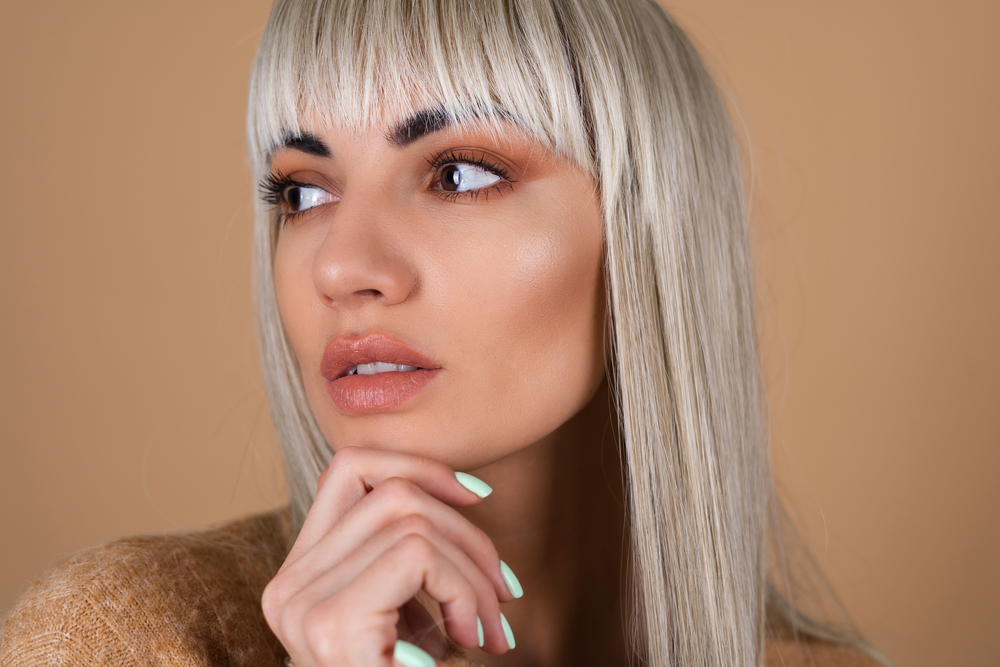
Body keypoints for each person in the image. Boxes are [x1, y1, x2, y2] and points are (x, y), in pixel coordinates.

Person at [0, 0, 889, 665]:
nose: (340, 266)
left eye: (458, 174)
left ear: (649, 238)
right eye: (303, 192)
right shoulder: (123, 634)